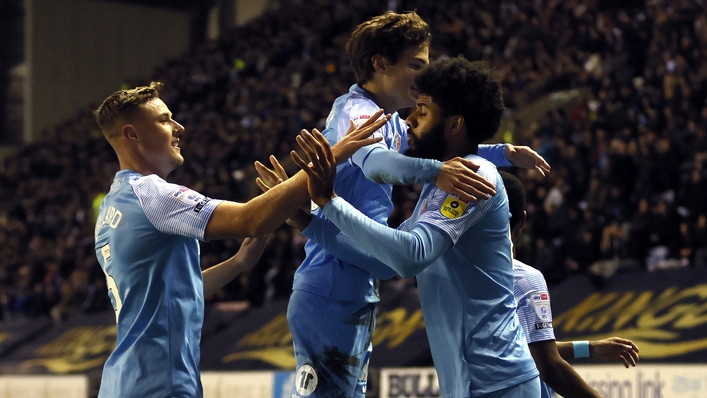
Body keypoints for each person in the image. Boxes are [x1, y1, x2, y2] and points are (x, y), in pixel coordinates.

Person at [255, 10, 549, 398]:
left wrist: (502, 153)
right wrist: (434, 172)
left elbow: (449, 142)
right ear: (379, 64)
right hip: (332, 282)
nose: (422, 76)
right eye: (415, 65)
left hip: (359, 276)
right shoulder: (356, 112)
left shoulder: (393, 120)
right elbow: (378, 165)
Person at [92, 81, 388, 398]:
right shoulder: (152, 194)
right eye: (164, 120)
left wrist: (238, 263)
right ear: (131, 134)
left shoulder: (111, 208)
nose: (178, 127)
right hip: (158, 385)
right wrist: (332, 156)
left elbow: (169, 294)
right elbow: (250, 219)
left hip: (123, 382)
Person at [503, 171, 641, 398]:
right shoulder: (523, 279)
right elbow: (548, 365)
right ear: (522, 221)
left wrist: (589, 348)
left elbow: (516, 352)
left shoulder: (452, 278)